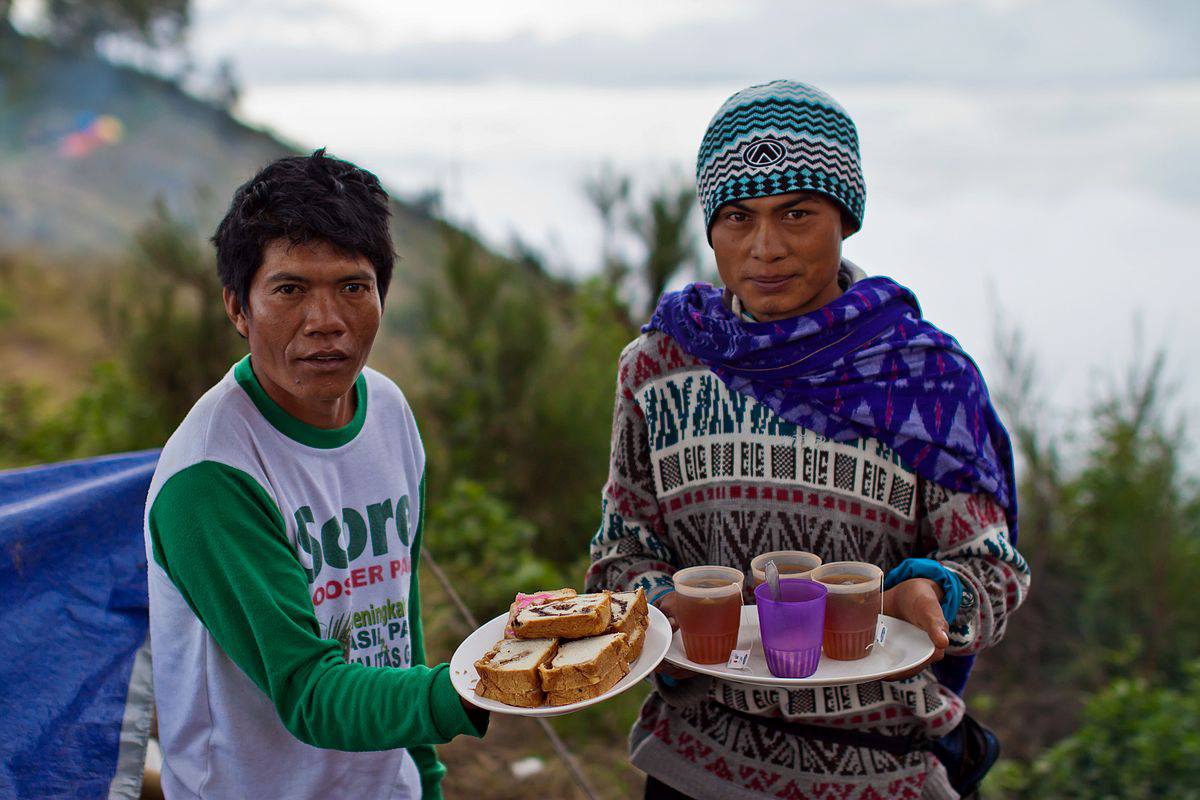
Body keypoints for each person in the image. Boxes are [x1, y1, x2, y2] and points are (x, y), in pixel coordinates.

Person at [586, 80, 1030, 799]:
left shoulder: (923, 379)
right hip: (697, 766)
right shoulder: (660, 367)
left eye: (797, 213)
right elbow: (618, 556)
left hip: (885, 773)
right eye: (737, 217)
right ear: (710, 227)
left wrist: (935, 596)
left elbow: (995, 573)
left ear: (845, 219)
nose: (765, 248)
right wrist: (661, 610)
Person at [143, 149, 487, 800]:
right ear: (238, 307)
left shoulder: (386, 411)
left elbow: (398, 626)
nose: (326, 321)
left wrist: (425, 776)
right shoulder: (211, 477)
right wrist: (470, 689)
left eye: (353, 287)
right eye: (291, 289)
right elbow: (306, 690)